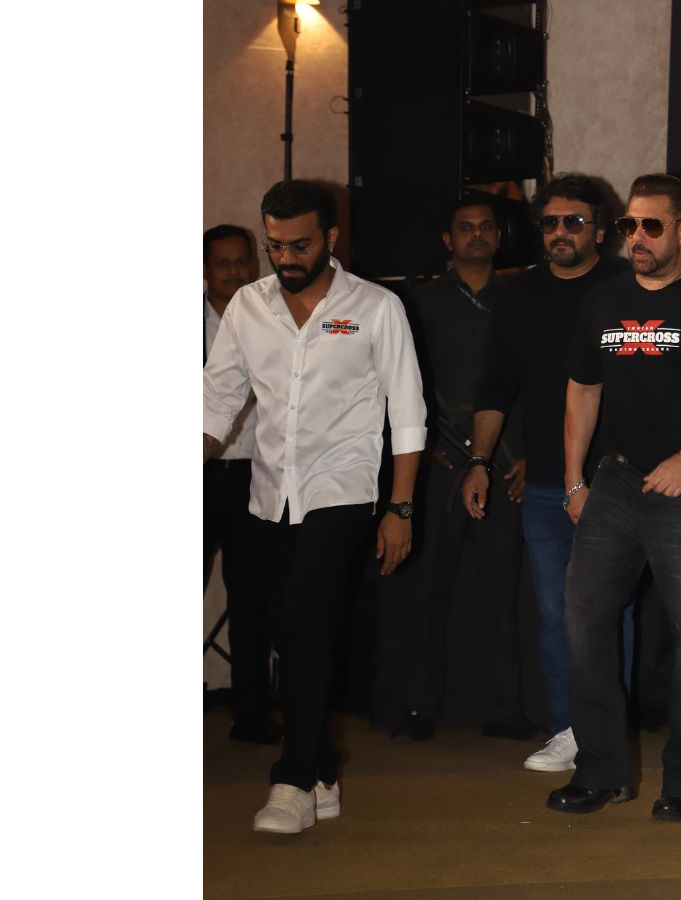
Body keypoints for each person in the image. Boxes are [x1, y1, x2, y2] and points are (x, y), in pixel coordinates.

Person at [203, 180, 427, 832]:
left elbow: (407, 412)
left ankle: (295, 780)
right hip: (270, 493)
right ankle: (325, 767)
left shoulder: (376, 307)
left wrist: (401, 509)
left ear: (330, 237)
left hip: (344, 490)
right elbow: (217, 400)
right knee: (289, 627)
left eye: (300, 245)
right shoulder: (249, 306)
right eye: (275, 245)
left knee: (301, 618)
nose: (286, 258)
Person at [546, 173, 681, 822]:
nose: (636, 238)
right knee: (583, 620)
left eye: (651, 226)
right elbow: (582, 388)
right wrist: (573, 479)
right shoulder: (605, 299)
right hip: (615, 483)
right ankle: (601, 771)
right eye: (629, 225)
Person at [462, 173, 633, 773]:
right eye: (551, 223)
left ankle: (609, 730)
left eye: (574, 222)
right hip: (543, 485)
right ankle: (569, 727)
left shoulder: (625, 286)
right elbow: (495, 386)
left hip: (616, 477)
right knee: (556, 611)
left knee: (610, 610)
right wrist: (479, 462)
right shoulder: (519, 295)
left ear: (600, 230)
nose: (560, 232)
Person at [391, 198, 536, 743]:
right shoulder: (417, 302)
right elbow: (396, 380)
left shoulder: (522, 298)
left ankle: (505, 708)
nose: (476, 235)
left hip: (507, 463)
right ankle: (418, 708)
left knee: (501, 591)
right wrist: (419, 444)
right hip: (440, 461)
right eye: (465, 228)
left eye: (486, 227)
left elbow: (541, 380)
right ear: (447, 240)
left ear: (499, 237)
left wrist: (531, 453)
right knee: (428, 591)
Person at [203, 224, 278, 745]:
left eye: (241, 261)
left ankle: (250, 715)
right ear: (206, 271)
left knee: (253, 598)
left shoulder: (271, 319)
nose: (234, 271)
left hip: (254, 473)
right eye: (223, 263)